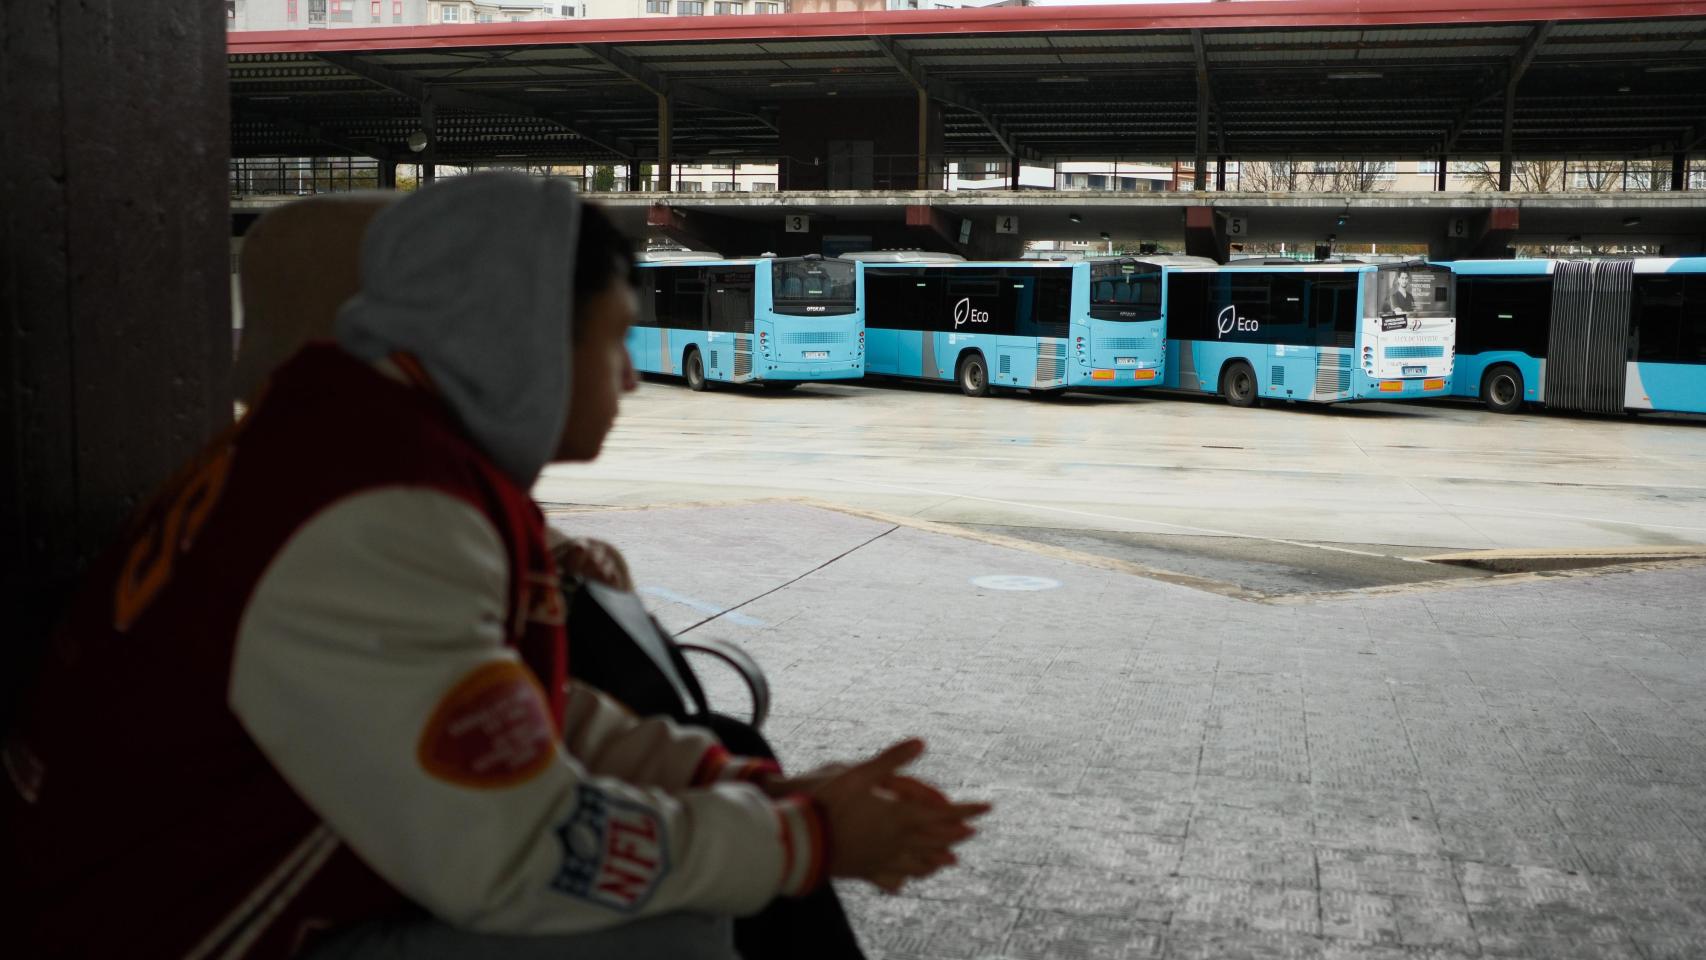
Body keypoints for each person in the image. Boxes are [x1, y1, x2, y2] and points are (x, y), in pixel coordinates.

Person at [1, 174, 988, 959]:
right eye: (613, 342)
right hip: (154, 931)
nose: (633, 377)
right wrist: (804, 839)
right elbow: (520, 853)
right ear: (524, 345)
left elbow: (513, 715)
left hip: (230, 872)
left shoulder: (346, 442)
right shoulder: (378, 510)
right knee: (669, 933)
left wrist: (745, 784)